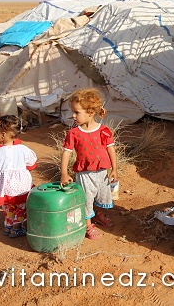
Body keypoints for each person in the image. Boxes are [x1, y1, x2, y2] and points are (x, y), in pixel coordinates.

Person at [60, 88, 118, 240]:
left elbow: (111, 149)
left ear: (90, 113)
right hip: (84, 174)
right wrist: (64, 173)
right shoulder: (74, 133)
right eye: (73, 112)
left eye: (77, 112)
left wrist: (114, 169)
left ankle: (98, 215)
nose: (73, 116)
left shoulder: (104, 131)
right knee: (86, 199)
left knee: (100, 195)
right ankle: (88, 225)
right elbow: (66, 152)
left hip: (101, 172)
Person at [0, 115, 37, 238]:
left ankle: (8, 226)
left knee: (8, 207)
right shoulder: (24, 149)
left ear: (3, 135)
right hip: (21, 187)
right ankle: (17, 228)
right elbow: (32, 165)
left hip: (5, 188)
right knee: (21, 208)